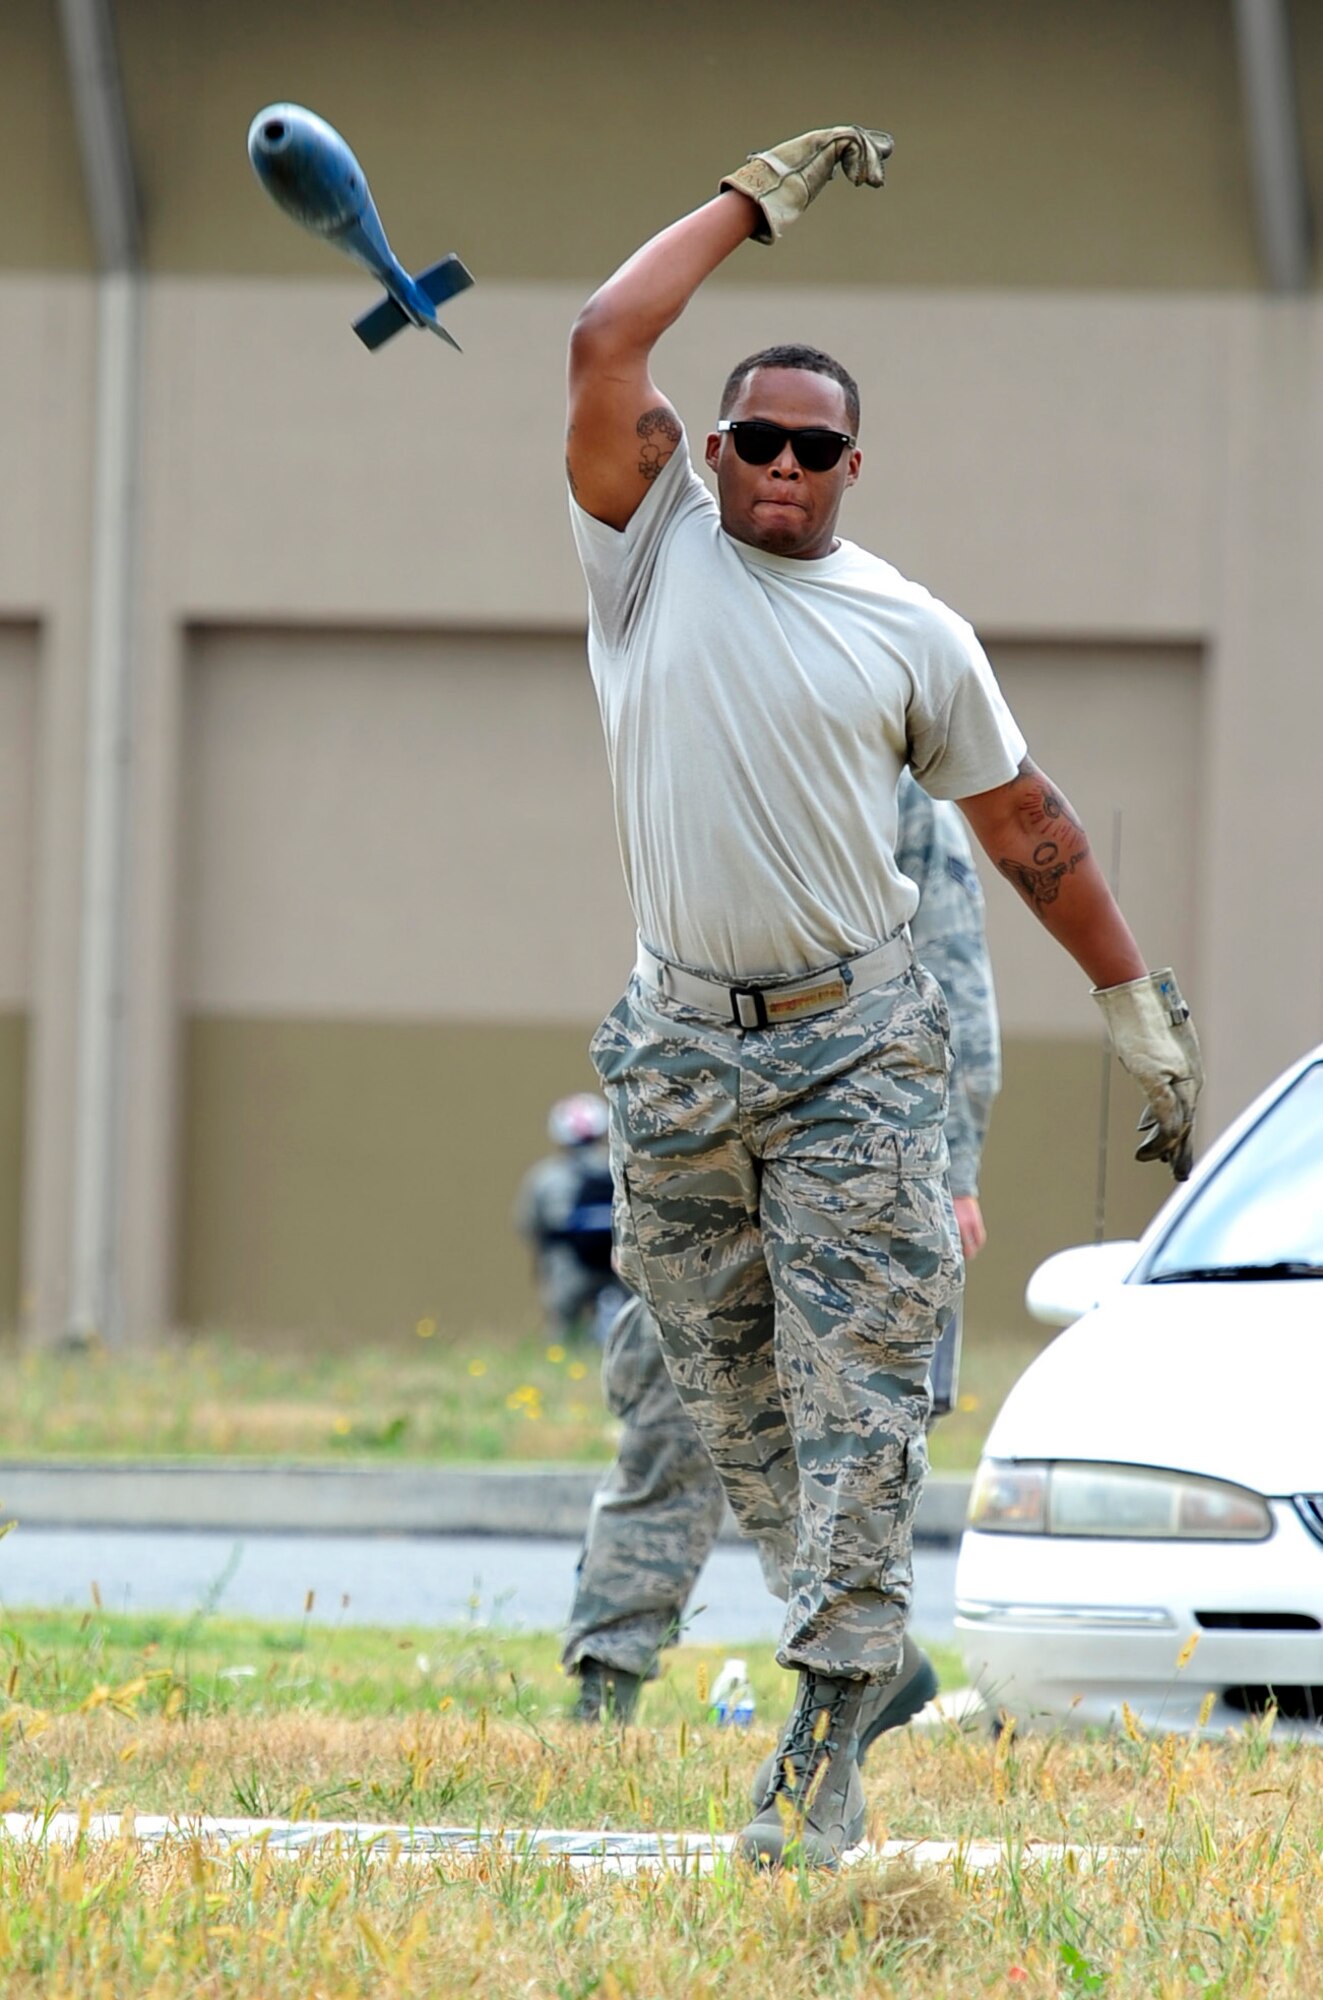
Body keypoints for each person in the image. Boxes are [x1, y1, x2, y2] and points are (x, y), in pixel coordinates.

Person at [564, 124, 1202, 1867]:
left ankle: (825, 1733)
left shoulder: (911, 632)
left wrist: (1131, 1002)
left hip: (858, 1051)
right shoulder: (648, 553)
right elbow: (599, 341)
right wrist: (742, 206)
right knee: (720, 1394)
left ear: (854, 466)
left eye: (813, 448)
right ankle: (859, 1646)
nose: (780, 464)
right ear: (710, 449)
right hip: (680, 1047)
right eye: (754, 437)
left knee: (858, 1402)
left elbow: (1027, 828)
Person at [563, 775, 998, 1732]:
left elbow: (955, 978)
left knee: (846, 1432)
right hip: (703, 1123)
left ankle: (857, 1677)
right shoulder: (714, 745)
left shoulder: (893, 791)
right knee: (671, 1411)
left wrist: (950, 1167)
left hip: (848, 1138)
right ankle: (607, 1676)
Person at [513, 1093, 624, 1344]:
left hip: (569, 1266)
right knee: (629, 1328)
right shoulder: (621, 1167)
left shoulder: (545, 1176)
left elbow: (527, 1225)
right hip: (620, 1265)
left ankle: (559, 1372)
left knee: (562, 1328)